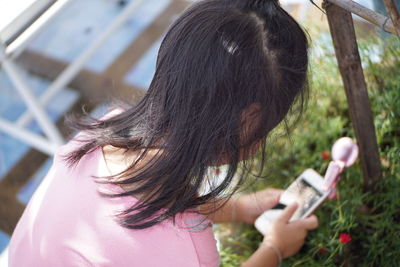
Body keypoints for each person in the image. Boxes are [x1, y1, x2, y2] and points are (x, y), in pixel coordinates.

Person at [8, 0, 319, 266]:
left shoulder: (107, 133)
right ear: (250, 119)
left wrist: (240, 207)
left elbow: (165, 192)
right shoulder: (187, 251)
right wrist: (274, 249)